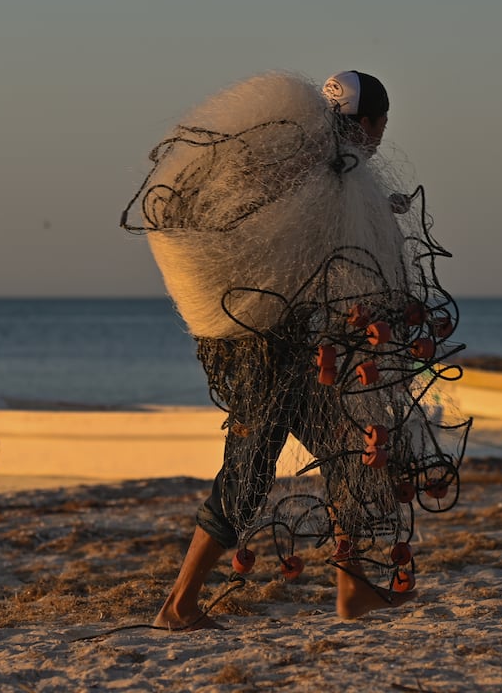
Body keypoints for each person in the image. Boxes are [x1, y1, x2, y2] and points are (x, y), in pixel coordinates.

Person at [152, 70, 418, 631]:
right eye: (381, 123)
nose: (380, 136)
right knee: (247, 471)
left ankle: (352, 592)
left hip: (291, 347)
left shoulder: (300, 165)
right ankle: (178, 605)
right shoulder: (329, 172)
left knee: (349, 453)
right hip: (264, 352)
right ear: (367, 123)